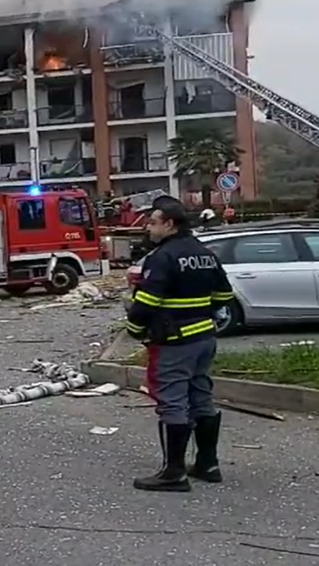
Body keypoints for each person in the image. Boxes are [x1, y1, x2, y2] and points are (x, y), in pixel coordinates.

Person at [125, 199, 234, 492]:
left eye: (153, 222)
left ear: (169, 225)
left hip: (173, 341)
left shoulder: (163, 257)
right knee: (201, 397)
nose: (149, 227)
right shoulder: (204, 253)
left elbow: (146, 301)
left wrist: (134, 328)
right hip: (204, 339)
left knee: (172, 401)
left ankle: (173, 473)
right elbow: (225, 295)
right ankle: (208, 464)